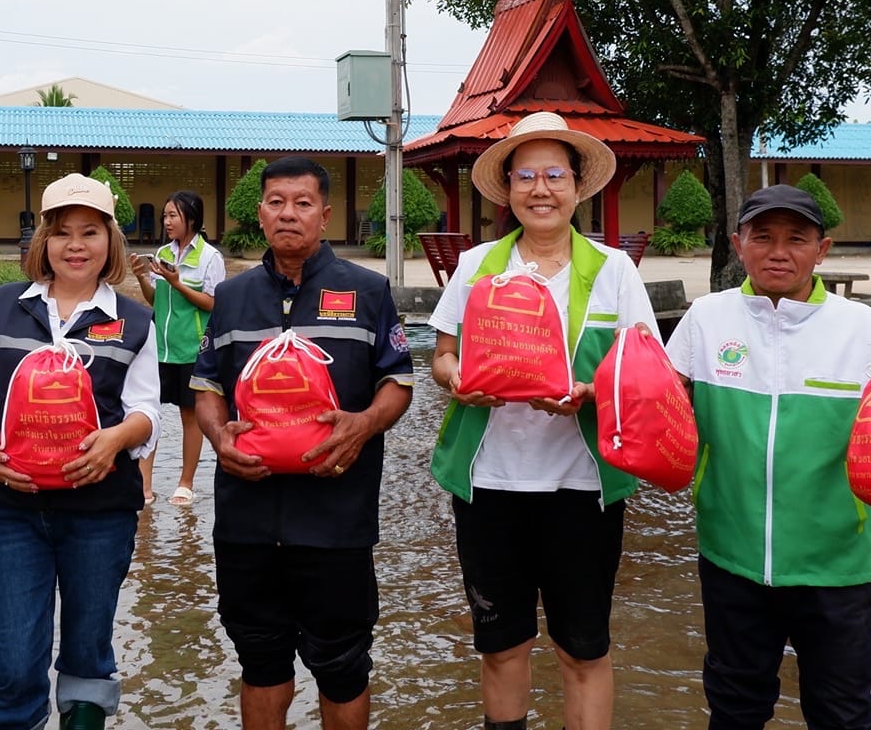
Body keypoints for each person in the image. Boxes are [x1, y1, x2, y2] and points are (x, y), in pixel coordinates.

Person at [426, 112, 660, 730]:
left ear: (579, 186)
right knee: (500, 645)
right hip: (489, 483)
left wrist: (592, 391)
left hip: (582, 487)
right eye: (525, 175)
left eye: (555, 174)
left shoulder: (613, 271)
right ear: (508, 189)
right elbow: (441, 356)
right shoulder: (478, 264)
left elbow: (648, 373)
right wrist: (457, 382)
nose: (540, 188)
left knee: (583, 646)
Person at [663, 184, 871, 730]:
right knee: (734, 705)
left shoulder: (863, 329)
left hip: (836, 562)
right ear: (737, 243)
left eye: (797, 239)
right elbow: (660, 404)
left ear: (822, 250)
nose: (779, 252)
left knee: (842, 712)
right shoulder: (705, 318)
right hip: (731, 555)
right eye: (762, 237)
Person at [192, 156, 414, 730]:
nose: (288, 214)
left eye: (303, 203)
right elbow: (208, 386)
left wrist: (363, 424)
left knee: (342, 664)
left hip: (336, 518)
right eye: (276, 202)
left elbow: (398, 381)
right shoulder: (233, 297)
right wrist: (219, 438)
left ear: (325, 214)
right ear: (260, 212)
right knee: (260, 660)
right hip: (246, 519)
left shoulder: (367, 291)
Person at [0, 173, 160, 730]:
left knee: (89, 649)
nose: (75, 245)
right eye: (62, 232)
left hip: (100, 511)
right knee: (17, 656)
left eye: (90, 231)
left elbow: (148, 410)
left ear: (110, 241)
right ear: (42, 241)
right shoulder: (2, 308)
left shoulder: (134, 320)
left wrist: (115, 439)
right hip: (16, 507)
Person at [131, 189, 225, 507]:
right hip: (158, 348)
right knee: (150, 413)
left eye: (173, 215)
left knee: (190, 417)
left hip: (192, 349)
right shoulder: (163, 253)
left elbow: (213, 304)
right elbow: (154, 301)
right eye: (165, 215)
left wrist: (177, 283)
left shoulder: (210, 258)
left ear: (192, 219)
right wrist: (144, 277)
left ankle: (185, 483)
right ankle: (144, 484)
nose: (167, 221)